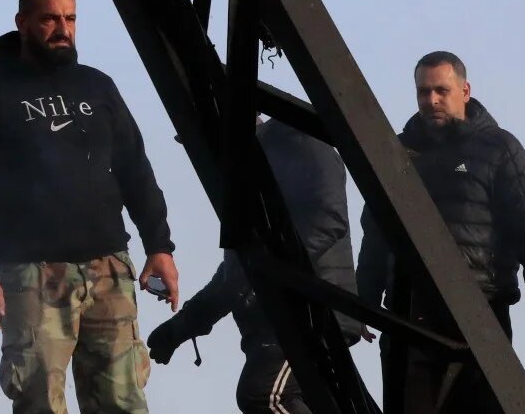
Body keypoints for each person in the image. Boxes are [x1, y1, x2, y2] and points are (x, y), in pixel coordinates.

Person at [0, 0, 180, 414]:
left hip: (110, 267)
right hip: (33, 274)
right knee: (39, 403)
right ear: (23, 22)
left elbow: (135, 168)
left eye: (70, 18)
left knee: (123, 401)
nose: (63, 29)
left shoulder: (97, 85)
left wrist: (160, 246)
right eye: (50, 19)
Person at [356, 51, 525, 413]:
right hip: (408, 313)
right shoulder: (397, 151)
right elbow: (375, 233)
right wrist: (365, 302)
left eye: (441, 90)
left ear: (465, 91)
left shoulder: (499, 148)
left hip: (481, 313)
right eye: (423, 92)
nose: (432, 100)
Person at [144, 115, 365, 414]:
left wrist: (271, 270)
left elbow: (329, 219)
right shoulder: (244, 176)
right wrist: (180, 328)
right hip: (277, 319)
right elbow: (233, 277)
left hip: (312, 312)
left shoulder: (298, 142)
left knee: (265, 395)